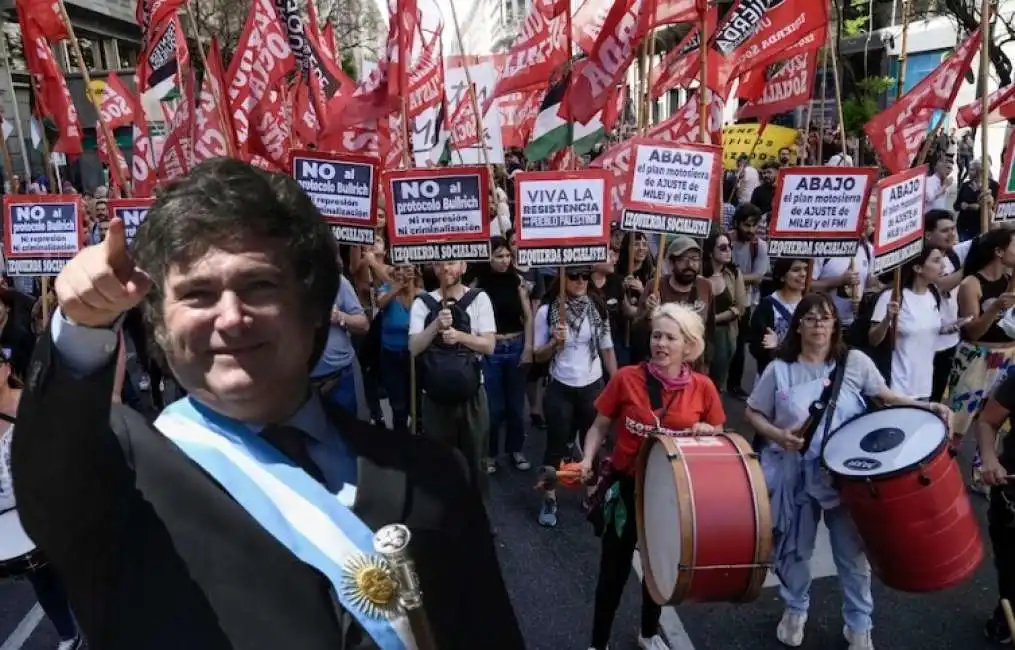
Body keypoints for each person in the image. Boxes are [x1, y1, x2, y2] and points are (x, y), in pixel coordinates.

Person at [12, 159, 523, 649]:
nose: (231, 317)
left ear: (313, 309)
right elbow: (50, 479)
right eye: (198, 294)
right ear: (161, 328)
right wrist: (80, 328)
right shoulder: (116, 473)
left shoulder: (433, 474)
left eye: (258, 285)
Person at [744, 293, 949, 650]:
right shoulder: (779, 369)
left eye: (825, 318)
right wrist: (778, 435)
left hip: (847, 478)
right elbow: (753, 412)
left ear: (835, 324)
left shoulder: (854, 361)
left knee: (852, 556)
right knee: (795, 551)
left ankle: (859, 624)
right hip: (794, 474)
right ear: (798, 326)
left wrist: (927, 406)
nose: (818, 325)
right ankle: (795, 610)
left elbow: (885, 395)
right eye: (810, 318)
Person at [578, 303, 724, 650]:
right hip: (625, 487)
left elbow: (718, 432)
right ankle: (597, 644)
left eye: (670, 337)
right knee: (612, 572)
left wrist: (707, 430)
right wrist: (587, 458)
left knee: (659, 569)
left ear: (688, 346)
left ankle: (648, 633)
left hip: (671, 494)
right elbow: (599, 427)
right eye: (656, 335)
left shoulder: (703, 388)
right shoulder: (627, 378)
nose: (660, 343)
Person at [0, 349, 82, 650]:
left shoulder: (33, 406)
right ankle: (68, 636)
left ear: (7, 369)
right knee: (44, 582)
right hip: (12, 522)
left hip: (52, 506)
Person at [533, 268, 617, 527]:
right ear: (562, 278)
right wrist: (554, 344)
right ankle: (549, 498)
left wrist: (618, 384)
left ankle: (592, 495)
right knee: (556, 446)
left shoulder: (597, 308)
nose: (580, 281)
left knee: (592, 445)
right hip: (561, 387)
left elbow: (607, 348)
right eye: (574, 276)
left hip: (592, 386)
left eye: (585, 276)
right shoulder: (547, 312)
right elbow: (538, 355)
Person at [949, 228, 1015, 494]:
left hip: (1008, 356)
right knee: (959, 422)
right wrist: (995, 308)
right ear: (999, 252)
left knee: (994, 418)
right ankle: (946, 474)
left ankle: (980, 474)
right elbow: (974, 330)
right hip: (977, 357)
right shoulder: (971, 284)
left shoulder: (1012, 278)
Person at [474, 237, 533, 472]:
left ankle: (516, 450)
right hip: (492, 350)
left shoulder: (517, 281)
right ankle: (490, 454)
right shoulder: (480, 285)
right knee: (494, 408)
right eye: (499, 256)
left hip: (516, 345)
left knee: (516, 407)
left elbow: (528, 316)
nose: (505, 260)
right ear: (488, 258)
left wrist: (528, 348)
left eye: (507, 256)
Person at [971, 367, 1015, 643]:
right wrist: (989, 459)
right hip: (1011, 493)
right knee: (1010, 566)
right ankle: (1007, 607)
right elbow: (988, 421)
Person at [702, 231, 747, 392]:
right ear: (710, 251)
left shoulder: (734, 273)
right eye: (722, 247)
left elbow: (740, 307)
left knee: (716, 384)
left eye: (730, 247)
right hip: (701, 334)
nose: (728, 250)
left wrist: (714, 319)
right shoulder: (698, 274)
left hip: (724, 335)